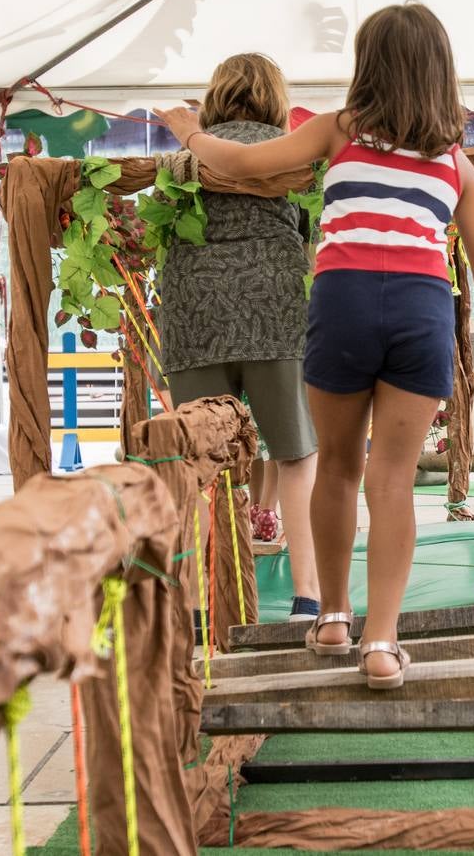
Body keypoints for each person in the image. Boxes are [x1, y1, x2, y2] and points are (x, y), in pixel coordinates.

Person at [157, 3, 474, 689]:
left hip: (344, 300)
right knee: (393, 482)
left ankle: (333, 617)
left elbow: (245, 164)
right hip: (421, 308)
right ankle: (381, 644)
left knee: (340, 470)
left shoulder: (339, 131)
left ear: (366, 66)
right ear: (441, 73)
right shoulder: (455, 164)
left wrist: (191, 133)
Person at [159, 52, 321, 620]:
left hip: (194, 313)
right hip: (272, 310)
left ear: (215, 95)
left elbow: (161, 222)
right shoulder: (293, 154)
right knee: (296, 455)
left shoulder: (185, 151)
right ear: (277, 99)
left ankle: (200, 598)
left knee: (199, 458)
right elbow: (312, 230)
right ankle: (308, 594)